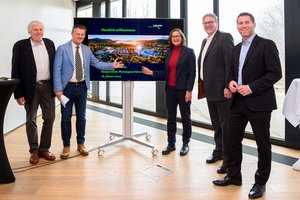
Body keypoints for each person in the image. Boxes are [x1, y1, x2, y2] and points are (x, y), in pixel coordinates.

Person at [212, 12, 282, 199]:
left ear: (253, 24)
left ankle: (260, 183)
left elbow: (276, 73)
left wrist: (251, 87)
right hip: (237, 102)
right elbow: (230, 73)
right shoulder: (235, 49)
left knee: (262, 144)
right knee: (231, 140)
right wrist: (231, 83)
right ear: (237, 26)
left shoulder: (267, 45)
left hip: (259, 103)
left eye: (246, 22)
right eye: (240, 23)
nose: (243, 26)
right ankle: (234, 176)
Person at [53, 24, 123, 159]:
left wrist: (112, 66)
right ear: (72, 33)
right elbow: (56, 70)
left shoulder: (86, 50)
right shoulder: (62, 49)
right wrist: (58, 90)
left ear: (84, 36)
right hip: (66, 89)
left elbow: (97, 64)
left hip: (82, 88)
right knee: (65, 119)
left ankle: (81, 144)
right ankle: (66, 147)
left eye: (82, 34)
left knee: (82, 118)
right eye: (77, 33)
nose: (80, 36)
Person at [142, 28, 196, 156]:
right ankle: (171, 144)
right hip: (170, 90)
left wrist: (189, 90)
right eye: (173, 37)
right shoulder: (169, 53)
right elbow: (166, 72)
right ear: (171, 39)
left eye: (178, 36)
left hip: (183, 90)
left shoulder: (189, 52)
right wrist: (151, 73)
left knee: (185, 118)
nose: (176, 38)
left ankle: (185, 144)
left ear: (182, 38)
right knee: (170, 118)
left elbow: (192, 73)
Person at [11, 20, 56, 165]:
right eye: (35, 29)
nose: (39, 32)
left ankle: (44, 149)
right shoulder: (20, 45)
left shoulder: (49, 43)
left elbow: (54, 66)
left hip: (48, 86)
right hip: (30, 88)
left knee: (50, 117)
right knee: (31, 119)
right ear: (29, 32)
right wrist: (18, 94)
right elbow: (15, 70)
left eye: (41, 29)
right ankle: (34, 151)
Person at [198, 13, 234, 174]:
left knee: (226, 126)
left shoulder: (225, 38)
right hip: (210, 90)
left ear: (217, 23)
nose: (207, 25)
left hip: (222, 91)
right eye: (205, 23)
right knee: (217, 125)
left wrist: (228, 86)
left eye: (210, 22)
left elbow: (230, 63)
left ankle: (228, 160)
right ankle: (218, 151)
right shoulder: (205, 41)